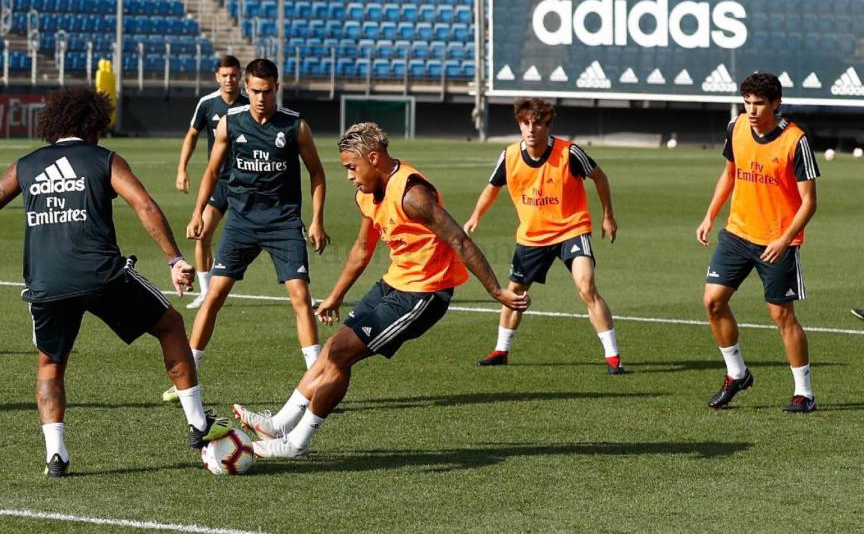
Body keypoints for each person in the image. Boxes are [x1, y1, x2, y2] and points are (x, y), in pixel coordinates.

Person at [0, 87, 227, 478]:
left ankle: (56, 455)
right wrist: (175, 259)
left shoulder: (27, 165)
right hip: (102, 275)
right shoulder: (103, 159)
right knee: (170, 325)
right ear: (93, 125)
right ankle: (197, 423)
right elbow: (144, 205)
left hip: (46, 281)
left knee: (50, 364)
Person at [232, 123, 530, 458]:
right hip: (394, 282)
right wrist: (336, 295)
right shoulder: (367, 194)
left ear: (373, 158)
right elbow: (362, 249)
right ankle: (278, 425)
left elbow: (459, 239)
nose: (349, 176)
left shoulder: (412, 195)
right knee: (332, 347)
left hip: (424, 294)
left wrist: (496, 290)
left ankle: (295, 444)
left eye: (352, 167)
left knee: (341, 353)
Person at [179, 58, 328, 379]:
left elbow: (317, 173)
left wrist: (317, 219)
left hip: (283, 224)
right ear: (247, 89)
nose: (262, 98)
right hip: (241, 223)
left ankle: (317, 380)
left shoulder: (295, 126)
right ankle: (187, 375)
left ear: (277, 89)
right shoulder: (230, 123)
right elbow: (212, 171)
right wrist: (197, 212)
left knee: (301, 296)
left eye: (268, 91)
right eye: (256, 91)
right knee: (213, 295)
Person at [463, 97, 624, 374]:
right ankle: (501, 350)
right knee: (514, 293)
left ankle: (613, 358)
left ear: (548, 126)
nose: (531, 129)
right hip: (532, 236)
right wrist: (476, 215)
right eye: (525, 123)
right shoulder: (510, 155)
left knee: (586, 287)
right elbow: (493, 186)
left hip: (571, 229)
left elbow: (600, 177)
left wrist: (608, 215)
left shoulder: (569, 153)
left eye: (537, 124)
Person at [696, 71, 820, 413]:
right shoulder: (736, 128)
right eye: (747, 102)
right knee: (713, 302)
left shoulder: (796, 141)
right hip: (737, 233)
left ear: (776, 104)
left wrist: (785, 239)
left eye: (759, 103)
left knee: (782, 315)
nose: (751, 110)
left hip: (777, 241)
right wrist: (710, 215)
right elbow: (730, 173)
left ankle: (804, 393)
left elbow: (809, 201)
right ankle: (737, 374)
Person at [175, 55, 248, 311]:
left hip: (246, 183)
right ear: (217, 76)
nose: (229, 79)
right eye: (225, 75)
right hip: (217, 181)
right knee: (203, 233)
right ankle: (206, 293)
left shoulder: (251, 104)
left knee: (260, 236)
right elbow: (191, 135)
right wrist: (182, 169)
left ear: (240, 76)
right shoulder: (207, 104)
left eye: (234, 74)